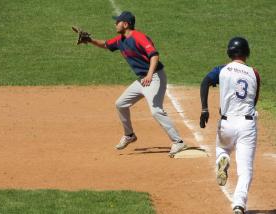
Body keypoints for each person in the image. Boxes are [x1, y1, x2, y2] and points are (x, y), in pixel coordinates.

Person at [86, 11, 186, 156]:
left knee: (156, 110)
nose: (115, 24)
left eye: (118, 22)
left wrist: (150, 75)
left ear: (125, 24)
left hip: (155, 77)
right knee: (120, 104)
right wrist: (90, 40)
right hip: (142, 79)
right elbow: (106, 44)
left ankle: (179, 142)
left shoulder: (139, 37)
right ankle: (129, 135)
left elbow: (154, 55)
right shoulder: (121, 40)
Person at [199, 37, 260, 214]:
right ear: (246, 53)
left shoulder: (222, 70)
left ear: (229, 52)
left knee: (222, 148)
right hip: (247, 124)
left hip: (226, 122)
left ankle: (221, 160)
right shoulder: (254, 73)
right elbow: (254, 100)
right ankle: (239, 204)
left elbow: (205, 82)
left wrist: (204, 109)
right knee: (245, 169)